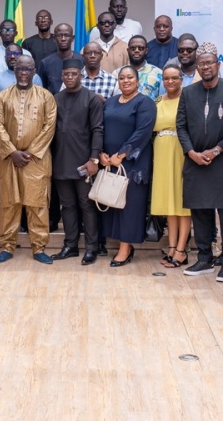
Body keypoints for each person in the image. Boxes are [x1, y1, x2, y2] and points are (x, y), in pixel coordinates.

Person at [0, 55, 57, 264]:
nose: (23, 73)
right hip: (9, 159)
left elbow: (50, 126)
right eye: (20, 68)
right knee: (9, 203)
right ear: (14, 68)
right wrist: (12, 152)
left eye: (28, 69)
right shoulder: (2, 96)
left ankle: (39, 248)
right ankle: (7, 246)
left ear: (34, 71)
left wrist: (30, 152)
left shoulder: (46, 96)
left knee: (37, 203)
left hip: (36, 160)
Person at [176, 48, 223, 277]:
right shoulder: (188, 92)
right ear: (197, 68)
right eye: (202, 64)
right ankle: (204, 258)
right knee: (200, 211)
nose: (206, 67)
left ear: (217, 65)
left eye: (210, 63)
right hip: (195, 161)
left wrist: (218, 149)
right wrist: (191, 152)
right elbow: (180, 126)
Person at [100, 67, 157, 266]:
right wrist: (101, 153)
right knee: (112, 202)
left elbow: (142, 132)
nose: (125, 81)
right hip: (109, 160)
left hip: (133, 162)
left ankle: (126, 248)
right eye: (122, 78)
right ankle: (119, 243)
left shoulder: (145, 103)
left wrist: (121, 154)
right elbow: (101, 127)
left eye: (130, 77)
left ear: (137, 80)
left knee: (129, 205)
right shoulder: (111, 102)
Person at [51, 59, 104, 264]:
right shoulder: (56, 98)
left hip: (84, 163)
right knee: (67, 206)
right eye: (66, 74)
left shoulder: (92, 99)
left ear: (80, 75)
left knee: (86, 205)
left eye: (74, 74)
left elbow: (98, 130)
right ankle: (70, 246)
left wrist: (93, 159)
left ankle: (91, 248)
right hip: (61, 162)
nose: (70, 77)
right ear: (62, 76)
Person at [150, 64, 191, 269]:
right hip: (162, 153)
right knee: (169, 203)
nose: (170, 82)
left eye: (174, 78)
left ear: (181, 79)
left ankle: (182, 250)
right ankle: (172, 247)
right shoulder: (157, 101)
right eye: (166, 78)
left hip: (181, 152)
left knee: (182, 204)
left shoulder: (188, 99)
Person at [38, 23, 84, 94]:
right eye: (59, 35)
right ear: (54, 38)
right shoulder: (45, 63)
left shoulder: (82, 60)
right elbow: (42, 90)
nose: (63, 39)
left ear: (72, 38)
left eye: (66, 35)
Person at [126, 35, 163, 99]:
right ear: (128, 50)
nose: (136, 50)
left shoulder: (158, 73)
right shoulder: (117, 74)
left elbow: (163, 99)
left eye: (140, 48)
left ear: (146, 51)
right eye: (133, 48)